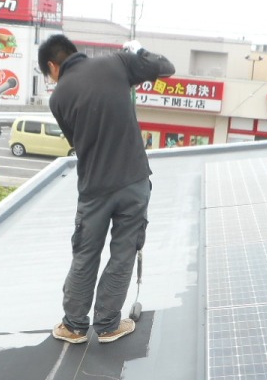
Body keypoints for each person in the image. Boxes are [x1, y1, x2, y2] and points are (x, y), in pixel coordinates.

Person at [38, 33, 175, 344]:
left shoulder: (58, 98)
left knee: (86, 254)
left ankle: (74, 326)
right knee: (123, 252)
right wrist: (138, 52)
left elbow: (76, 142)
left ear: (52, 65)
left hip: (95, 188)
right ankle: (109, 325)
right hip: (134, 181)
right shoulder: (117, 63)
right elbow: (166, 68)